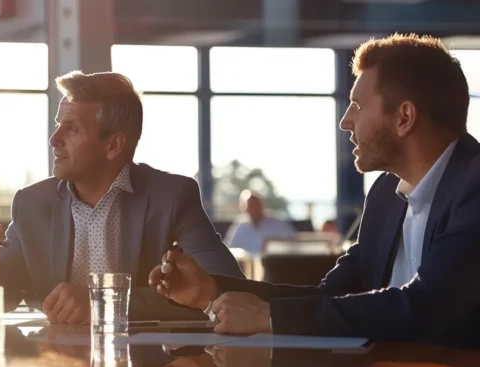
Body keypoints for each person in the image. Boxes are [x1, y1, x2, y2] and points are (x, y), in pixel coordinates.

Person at [149, 33, 480, 350]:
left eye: (358, 106)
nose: (345, 121)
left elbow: (428, 307)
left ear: (404, 117)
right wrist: (212, 291)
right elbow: (328, 299)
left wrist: (270, 317)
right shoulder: (385, 195)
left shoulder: (474, 186)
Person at [0, 70, 245, 324]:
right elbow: (5, 297)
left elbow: (226, 288)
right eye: (58, 125)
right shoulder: (33, 202)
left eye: (72, 129)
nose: (54, 139)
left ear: (113, 145)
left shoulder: (172, 197)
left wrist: (103, 304)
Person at [223, 190, 297, 255]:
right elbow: (229, 250)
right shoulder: (239, 226)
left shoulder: (278, 224)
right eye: (250, 206)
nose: (254, 209)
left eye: (256, 205)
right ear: (243, 208)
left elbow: (294, 245)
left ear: (262, 205)